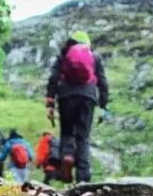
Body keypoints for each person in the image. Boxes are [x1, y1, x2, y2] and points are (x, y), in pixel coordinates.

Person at [45, 31, 109, 183]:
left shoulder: (64, 56)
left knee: (67, 131)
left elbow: (53, 79)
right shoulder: (94, 57)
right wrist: (104, 107)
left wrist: (50, 103)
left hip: (65, 95)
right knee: (83, 137)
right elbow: (103, 82)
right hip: (88, 96)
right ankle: (83, 176)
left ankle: (66, 155)